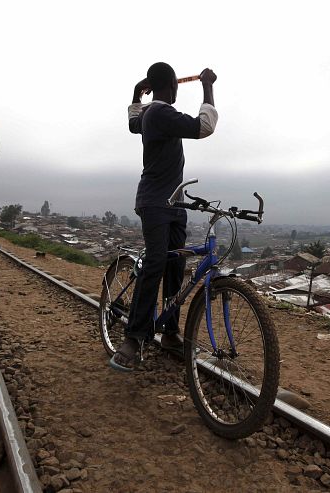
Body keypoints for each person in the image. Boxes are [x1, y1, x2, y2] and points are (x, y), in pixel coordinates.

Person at [110, 63, 217, 371]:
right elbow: (204, 127)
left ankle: (170, 332)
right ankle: (134, 338)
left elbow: (132, 124)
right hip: (155, 202)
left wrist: (135, 93)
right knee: (156, 263)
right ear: (173, 85)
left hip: (174, 204)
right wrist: (207, 85)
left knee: (175, 265)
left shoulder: (148, 114)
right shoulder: (160, 113)